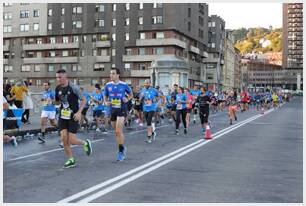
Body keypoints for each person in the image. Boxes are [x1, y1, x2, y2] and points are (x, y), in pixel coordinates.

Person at [55, 69, 92, 168]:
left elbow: (84, 100)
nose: (58, 79)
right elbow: (58, 102)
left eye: (60, 77)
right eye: (57, 77)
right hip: (63, 116)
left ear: (65, 76)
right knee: (63, 138)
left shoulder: (73, 87)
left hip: (73, 116)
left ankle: (85, 143)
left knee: (72, 140)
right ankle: (71, 159)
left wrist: (79, 113)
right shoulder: (57, 88)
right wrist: (53, 103)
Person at [104, 68, 133, 161]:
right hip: (113, 109)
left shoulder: (124, 85)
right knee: (117, 132)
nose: (111, 75)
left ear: (118, 75)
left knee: (118, 131)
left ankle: (120, 152)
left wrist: (127, 99)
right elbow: (105, 95)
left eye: (113, 73)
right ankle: (123, 147)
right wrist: (106, 101)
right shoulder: (107, 85)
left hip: (121, 109)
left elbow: (131, 94)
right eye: (110, 73)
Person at [140, 79, 159, 143]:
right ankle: (153, 132)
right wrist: (141, 97)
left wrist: (156, 102)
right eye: (145, 83)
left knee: (148, 121)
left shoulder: (154, 90)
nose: (145, 84)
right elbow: (141, 99)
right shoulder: (143, 90)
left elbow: (160, 97)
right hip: (145, 108)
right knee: (148, 122)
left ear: (150, 84)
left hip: (152, 108)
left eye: (147, 83)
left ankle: (149, 138)